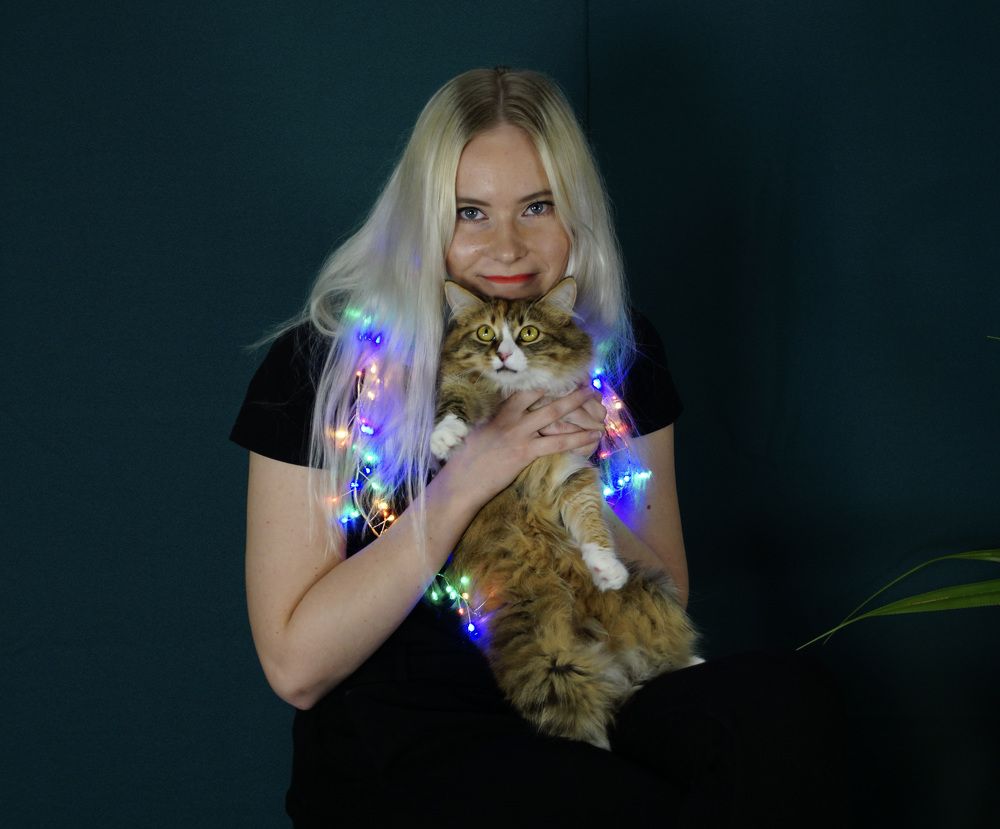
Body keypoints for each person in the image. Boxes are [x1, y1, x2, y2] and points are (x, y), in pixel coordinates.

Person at [230, 67, 849, 827]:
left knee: (786, 705)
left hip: (590, 676)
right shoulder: (321, 369)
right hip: (409, 727)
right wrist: (473, 473)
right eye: (470, 213)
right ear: (424, 221)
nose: (508, 248)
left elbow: (662, 591)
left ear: (575, 216)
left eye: (537, 206)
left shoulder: (620, 354)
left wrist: (555, 466)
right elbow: (295, 668)